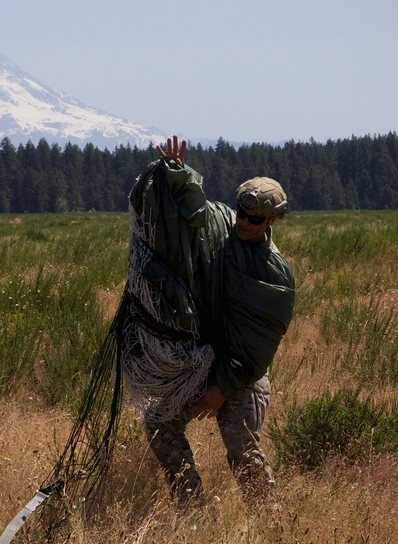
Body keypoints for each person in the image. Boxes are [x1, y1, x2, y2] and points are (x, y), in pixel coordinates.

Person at [122, 136, 295, 506]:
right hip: (204, 361)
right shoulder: (222, 230)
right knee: (159, 424)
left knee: (240, 445)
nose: (246, 223)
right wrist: (177, 176)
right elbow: (192, 215)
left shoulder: (273, 274)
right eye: (242, 213)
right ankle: (192, 507)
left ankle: (272, 527)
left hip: (243, 374)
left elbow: (255, 352)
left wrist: (220, 391)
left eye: (256, 218)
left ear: (274, 219)